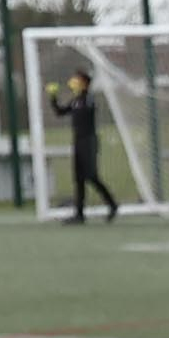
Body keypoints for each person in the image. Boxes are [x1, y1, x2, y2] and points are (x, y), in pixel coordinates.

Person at [46, 70, 118, 224]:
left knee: (91, 176)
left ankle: (112, 204)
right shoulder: (75, 100)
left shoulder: (89, 99)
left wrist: (82, 96)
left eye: (77, 80)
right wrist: (53, 97)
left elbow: (89, 109)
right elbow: (60, 112)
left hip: (89, 141)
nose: (73, 82)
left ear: (84, 83)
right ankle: (79, 214)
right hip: (78, 142)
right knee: (78, 179)